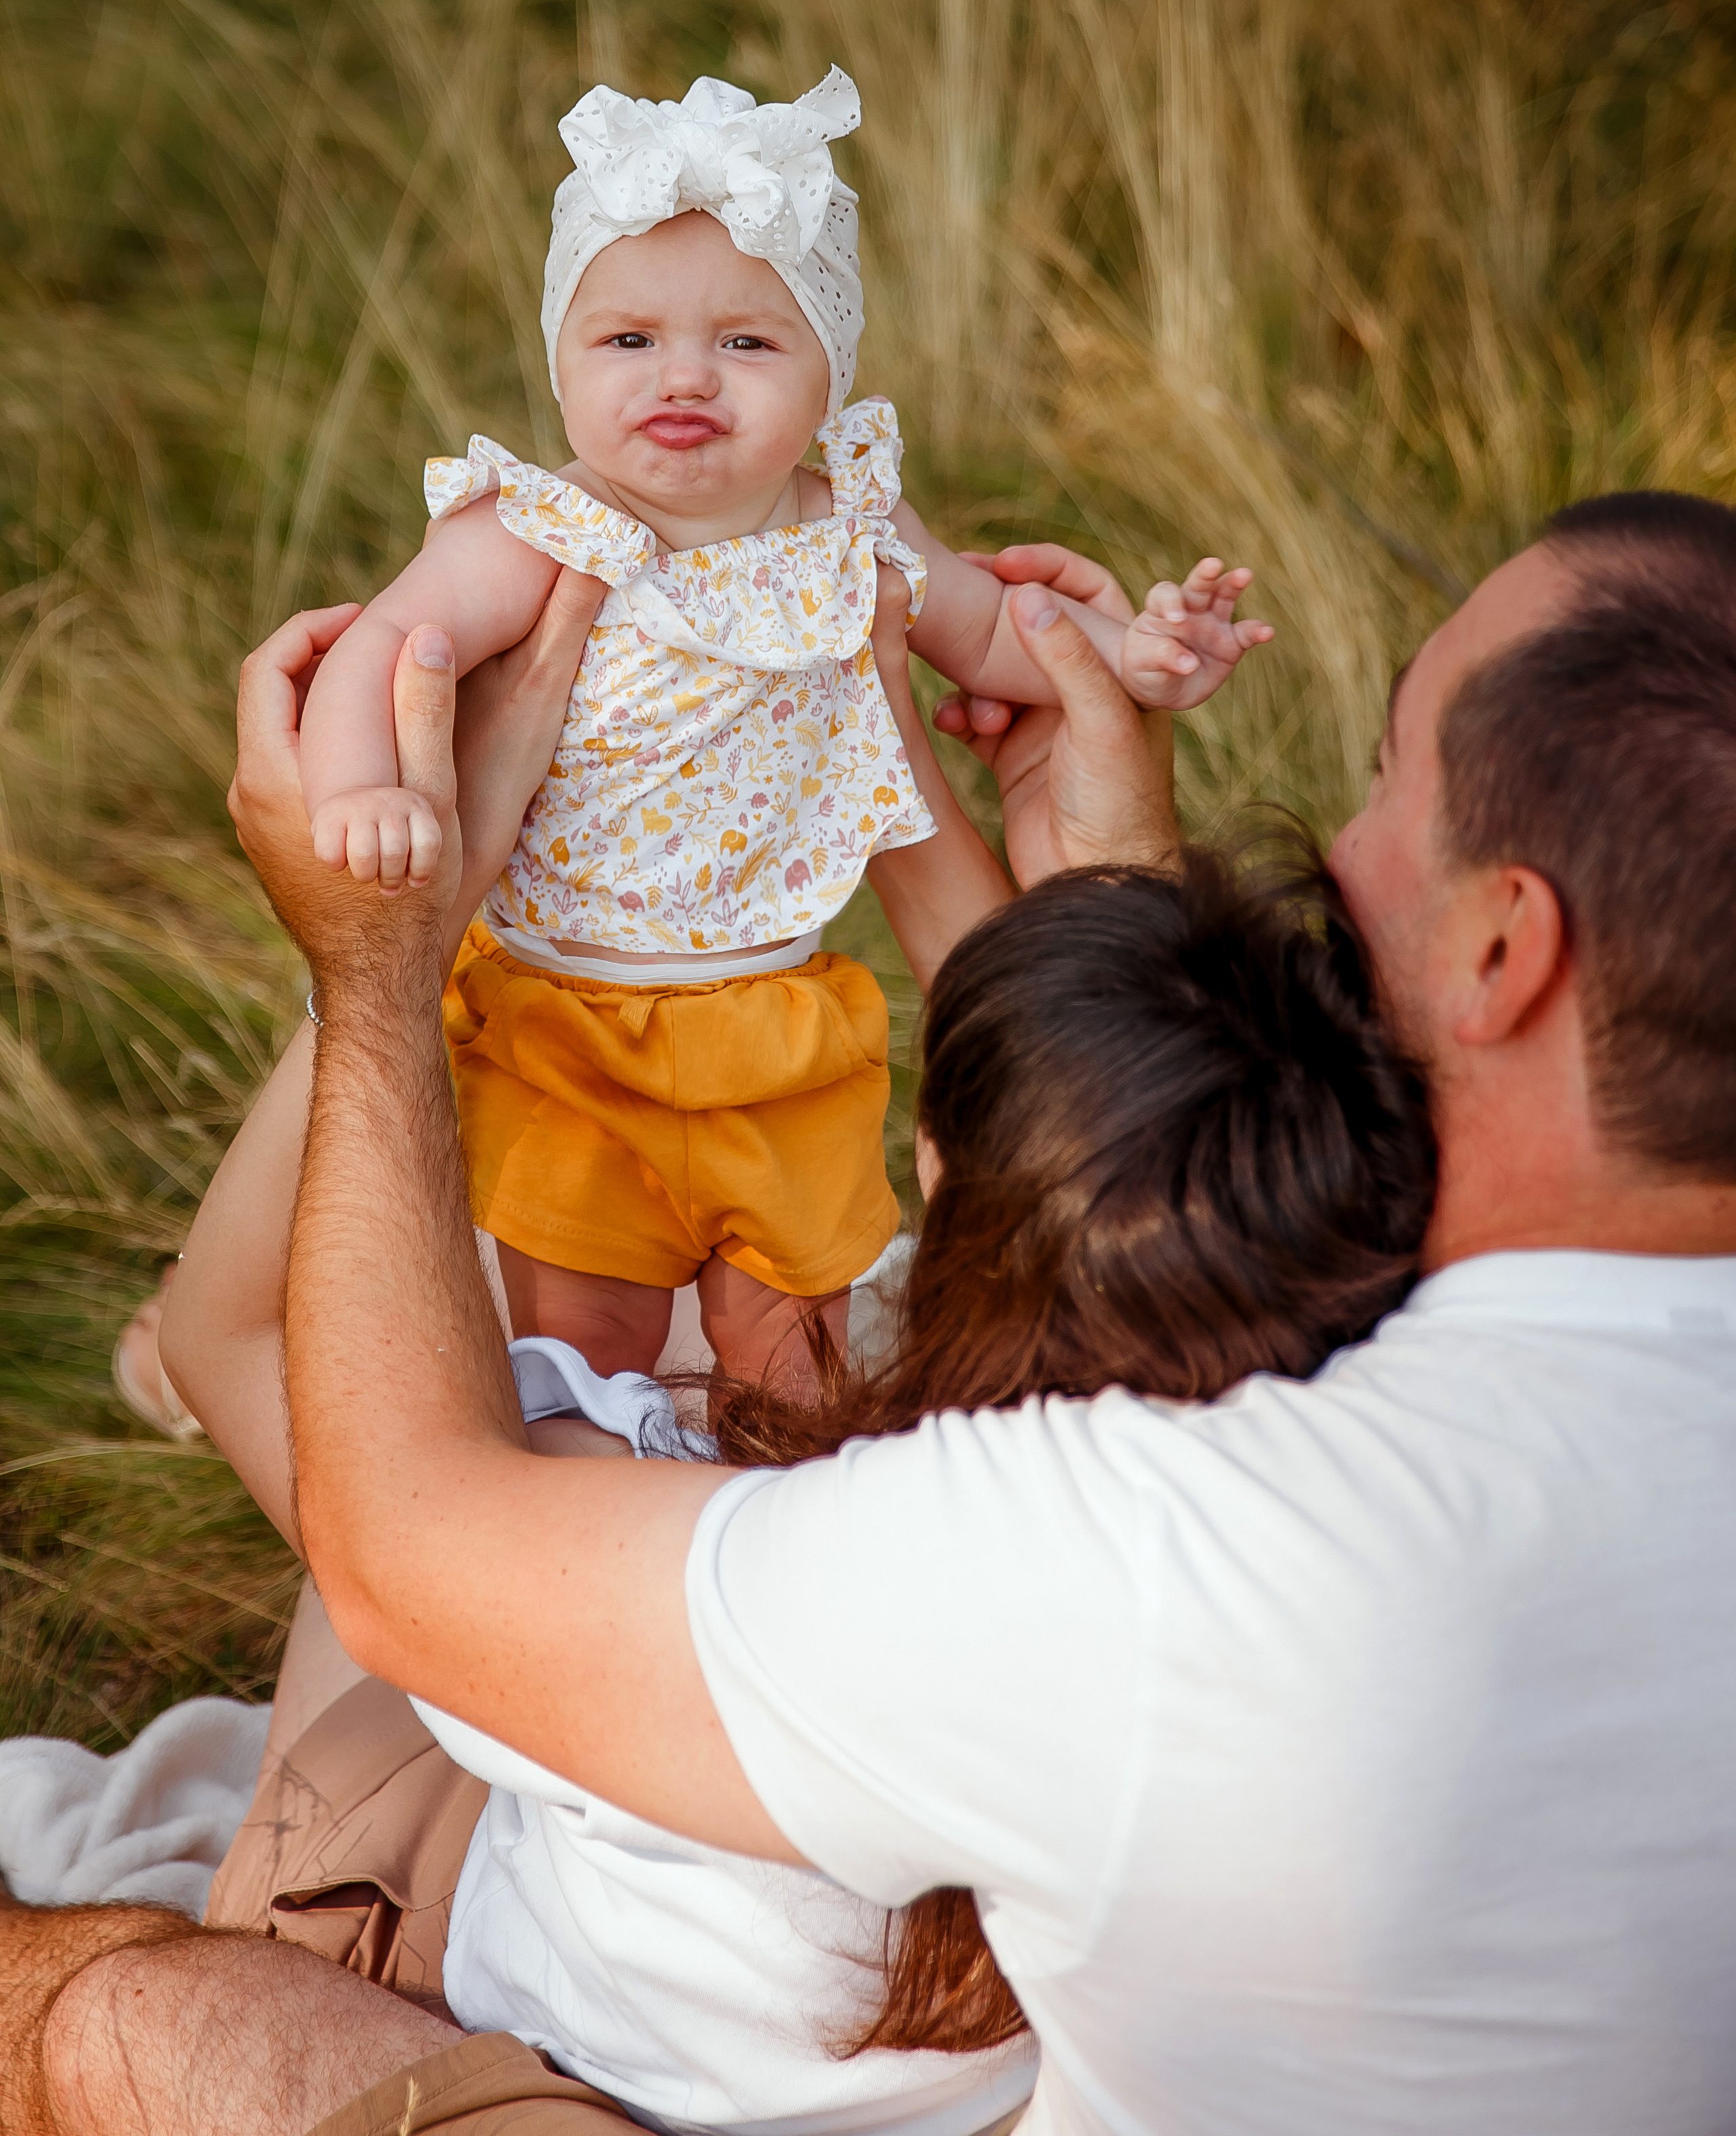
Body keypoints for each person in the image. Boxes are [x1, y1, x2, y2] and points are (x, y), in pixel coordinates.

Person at [7, 491, 1736, 2136]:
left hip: (491, 1876)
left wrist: (391, 953)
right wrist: (1086, 879)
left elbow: (399, 1527)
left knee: (102, 2008)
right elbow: (1120, 1223)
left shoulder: (1166, 1560)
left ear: (1506, 952)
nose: (1341, 847)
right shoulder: (1406, 1316)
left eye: (1382, 781)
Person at [286, 64, 1269, 1391]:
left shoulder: (847, 522)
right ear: (562, 363)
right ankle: (587, 1500)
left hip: (778, 1019)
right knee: (583, 1345)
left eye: (747, 343)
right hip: (568, 1022)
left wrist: (1131, 657)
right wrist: (363, 791)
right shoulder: (536, 529)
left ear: (828, 372)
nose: (683, 376)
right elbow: (379, 651)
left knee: (792, 1349)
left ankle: (771, 1469)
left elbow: (987, 626)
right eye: (627, 341)